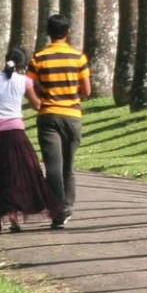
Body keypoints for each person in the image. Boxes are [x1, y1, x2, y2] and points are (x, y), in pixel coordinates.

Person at [0, 47, 53, 234]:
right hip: (16, 133)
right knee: (18, 175)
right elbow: (36, 105)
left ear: (6, 60)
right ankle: (14, 217)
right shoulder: (25, 81)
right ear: (23, 65)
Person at [30, 13, 92, 229]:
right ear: (68, 32)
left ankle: (58, 210)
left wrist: (39, 101)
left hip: (48, 115)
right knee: (68, 166)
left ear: (48, 33)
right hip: (72, 116)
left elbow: (29, 85)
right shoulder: (78, 57)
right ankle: (67, 206)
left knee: (53, 166)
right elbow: (86, 90)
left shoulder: (38, 58)